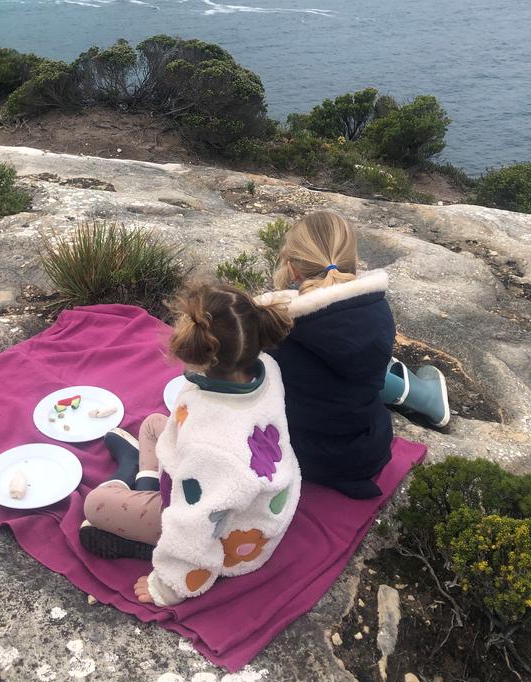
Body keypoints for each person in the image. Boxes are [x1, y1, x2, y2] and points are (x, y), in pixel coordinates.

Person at [79, 282, 301, 607]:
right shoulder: (265, 367)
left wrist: (169, 586)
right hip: (249, 496)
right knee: (155, 425)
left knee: (94, 505)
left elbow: (197, 526)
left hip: (224, 531)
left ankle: (134, 487)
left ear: (196, 353)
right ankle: (145, 479)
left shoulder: (211, 445)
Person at [258, 210, 449, 500]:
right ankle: (424, 396)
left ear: (293, 268)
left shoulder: (276, 324)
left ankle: (424, 395)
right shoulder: (377, 309)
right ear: (352, 261)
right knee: (359, 369)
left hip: (305, 457)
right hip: (369, 451)